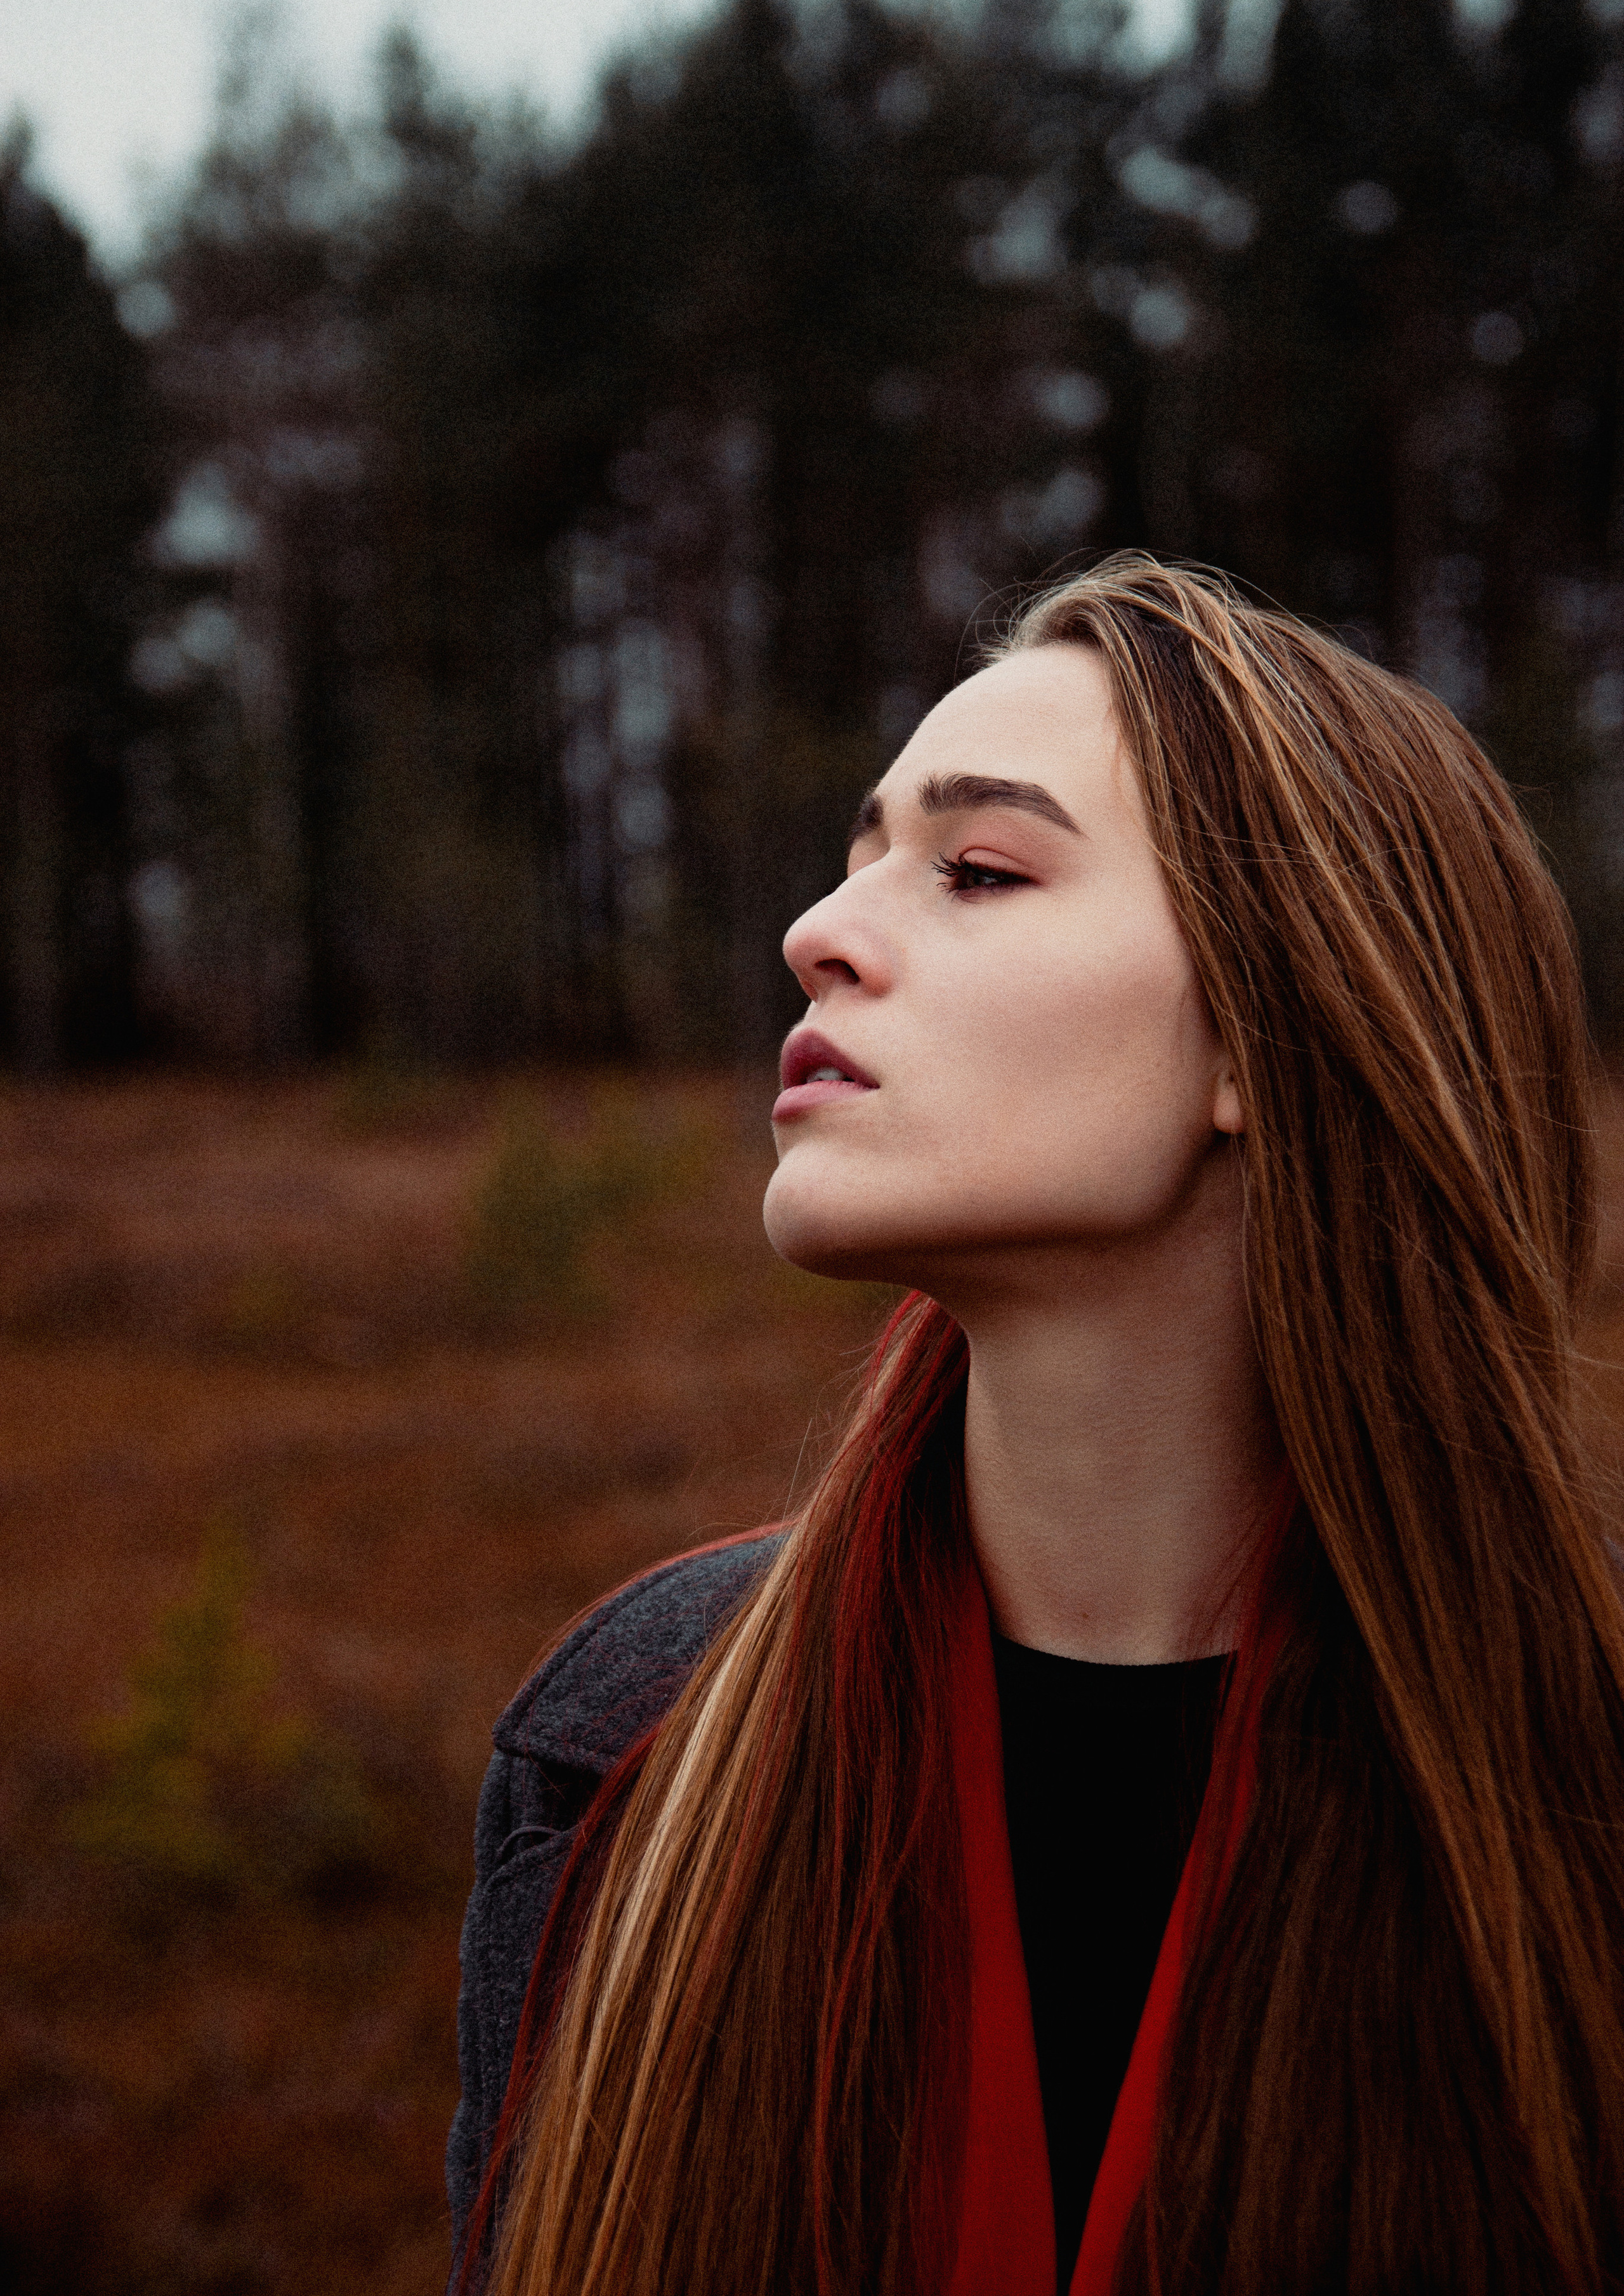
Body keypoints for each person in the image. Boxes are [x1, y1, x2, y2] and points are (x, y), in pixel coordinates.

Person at [446, 555, 1624, 2296]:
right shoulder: (628, 1744)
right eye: (859, 860)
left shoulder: (1580, 1799)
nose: (820, 932)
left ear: (1273, 1031)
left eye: (978, 871)